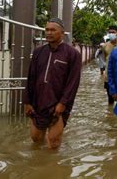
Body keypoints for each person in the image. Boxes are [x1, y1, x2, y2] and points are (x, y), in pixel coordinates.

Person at [23, 17, 82, 149]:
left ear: (62, 33)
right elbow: (31, 78)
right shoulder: (38, 52)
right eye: (47, 30)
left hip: (58, 103)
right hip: (38, 101)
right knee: (36, 139)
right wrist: (27, 102)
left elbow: (73, 83)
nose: (49, 33)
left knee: (53, 142)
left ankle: (53, 168)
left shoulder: (72, 54)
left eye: (53, 30)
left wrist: (63, 103)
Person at [102, 25, 117, 105]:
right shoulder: (105, 46)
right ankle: (110, 114)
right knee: (110, 100)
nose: (111, 34)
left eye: (113, 32)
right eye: (109, 32)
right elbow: (105, 59)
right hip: (108, 77)